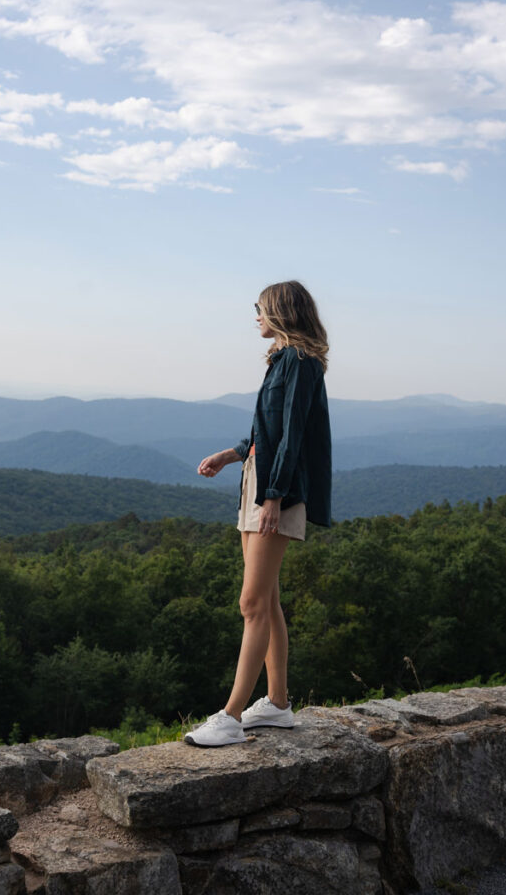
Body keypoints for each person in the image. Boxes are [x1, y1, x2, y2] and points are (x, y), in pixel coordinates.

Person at [184, 280, 332, 747]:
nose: (256, 317)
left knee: (251, 603)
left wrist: (274, 495)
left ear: (281, 311)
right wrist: (231, 454)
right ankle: (278, 704)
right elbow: (264, 432)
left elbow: (291, 435)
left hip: (276, 491)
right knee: (266, 601)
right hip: (258, 482)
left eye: (260, 309)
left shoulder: (301, 362)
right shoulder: (282, 360)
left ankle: (230, 716)